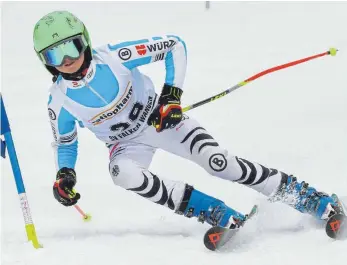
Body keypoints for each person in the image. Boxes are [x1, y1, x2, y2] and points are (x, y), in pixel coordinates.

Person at [33, 11, 341, 229]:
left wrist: (171, 96)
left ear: (84, 41)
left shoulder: (114, 57)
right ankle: (212, 211)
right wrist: (65, 174)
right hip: (125, 144)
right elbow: (65, 141)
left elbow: (173, 45)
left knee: (219, 162)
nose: (66, 61)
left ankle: (308, 198)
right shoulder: (59, 101)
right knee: (121, 173)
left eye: (69, 48)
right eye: (53, 56)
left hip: (161, 120)